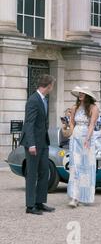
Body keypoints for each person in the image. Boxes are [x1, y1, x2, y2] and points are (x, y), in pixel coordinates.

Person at [19, 74, 56, 215]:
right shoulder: (33, 100)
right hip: (33, 143)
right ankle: (30, 206)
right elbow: (29, 124)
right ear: (49, 85)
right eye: (52, 85)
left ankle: (39, 202)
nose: (52, 88)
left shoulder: (44, 99)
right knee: (32, 174)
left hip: (43, 142)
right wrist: (32, 144)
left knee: (44, 172)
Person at [67, 86, 100, 208]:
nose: (80, 94)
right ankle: (74, 197)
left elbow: (92, 125)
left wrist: (87, 138)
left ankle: (85, 196)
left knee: (86, 167)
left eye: (83, 93)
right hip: (75, 138)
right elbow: (71, 123)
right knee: (75, 166)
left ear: (88, 95)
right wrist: (69, 129)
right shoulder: (74, 107)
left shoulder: (93, 108)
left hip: (87, 139)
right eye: (79, 93)